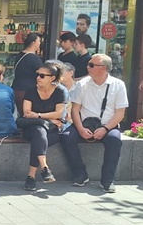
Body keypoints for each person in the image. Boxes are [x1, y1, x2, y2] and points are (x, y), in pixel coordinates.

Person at [60, 53, 129, 193]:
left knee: (114, 140)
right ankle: (80, 174)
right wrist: (80, 128)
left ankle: (107, 180)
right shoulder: (82, 84)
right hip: (83, 123)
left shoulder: (118, 85)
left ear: (103, 68)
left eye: (91, 65)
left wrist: (105, 128)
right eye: (88, 64)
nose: (88, 67)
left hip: (108, 125)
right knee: (66, 136)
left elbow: (120, 113)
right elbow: (75, 109)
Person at [19, 62, 66, 191]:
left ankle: (31, 177)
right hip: (31, 128)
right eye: (37, 75)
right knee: (38, 132)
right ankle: (44, 168)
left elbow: (59, 113)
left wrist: (39, 115)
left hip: (52, 131)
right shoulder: (31, 90)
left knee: (38, 140)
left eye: (42, 76)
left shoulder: (60, 91)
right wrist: (49, 118)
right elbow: (27, 113)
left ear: (52, 78)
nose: (38, 78)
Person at [11, 33, 44, 114]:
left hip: (17, 87)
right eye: (38, 41)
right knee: (28, 114)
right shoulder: (34, 58)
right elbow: (42, 73)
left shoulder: (19, 55)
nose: (40, 43)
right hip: (28, 90)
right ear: (33, 43)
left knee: (21, 112)